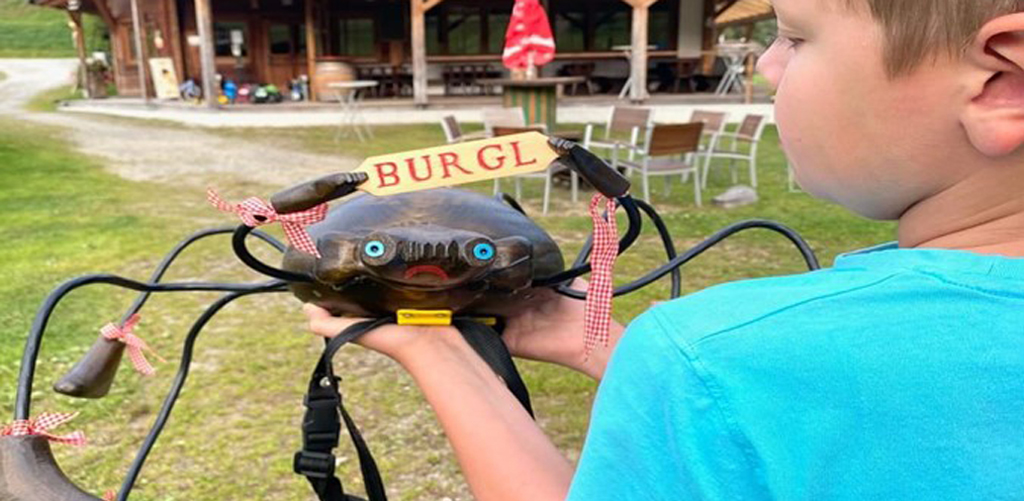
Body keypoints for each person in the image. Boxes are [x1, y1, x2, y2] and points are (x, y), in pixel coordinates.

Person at [305, 0, 1024, 498]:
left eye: (795, 38)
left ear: (1000, 85)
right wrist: (616, 353)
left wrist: (440, 353)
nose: (767, 66)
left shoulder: (715, 353)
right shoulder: (728, 366)